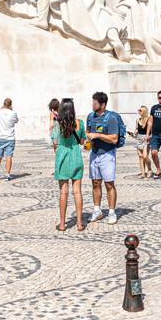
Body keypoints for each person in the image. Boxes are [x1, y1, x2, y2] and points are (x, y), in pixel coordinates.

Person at [84, 91, 122, 224]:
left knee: (109, 184)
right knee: (95, 182)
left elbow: (114, 139)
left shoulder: (110, 118)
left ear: (103, 104)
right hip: (94, 154)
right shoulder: (90, 117)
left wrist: (98, 135)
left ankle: (112, 212)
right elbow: (88, 133)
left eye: (95, 103)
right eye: (92, 102)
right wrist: (87, 140)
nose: (92, 105)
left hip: (107, 154)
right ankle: (97, 210)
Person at [52, 97, 87, 232]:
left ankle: (62, 224)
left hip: (62, 156)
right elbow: (83, 142)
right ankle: (79, 223)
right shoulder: (80, 123)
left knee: (63, 192)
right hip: (75, 156)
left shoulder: (57, 125)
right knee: (77, 191)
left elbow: (55, 143)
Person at [0, 98, 18, 181]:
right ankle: (7, 175)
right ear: (10, 105)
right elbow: (16, 121)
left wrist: (1, 109)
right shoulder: (13, 113)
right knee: (9, 156)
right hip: (10, 138)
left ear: (3, 104)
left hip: (0, 137)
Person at [135, 104, 153, 178]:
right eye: (138, 110)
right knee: (140, 156)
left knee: (145, 156)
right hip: (139, 138)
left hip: (146, 139)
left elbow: (151, 131)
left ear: (144, 111)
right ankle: (143, 173)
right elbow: (136, 129)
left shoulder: (149, 119)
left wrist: (149, 137)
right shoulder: (138, 120)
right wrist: (133, 133)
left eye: (140, 110)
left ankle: (149, 169)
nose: (138, 111)